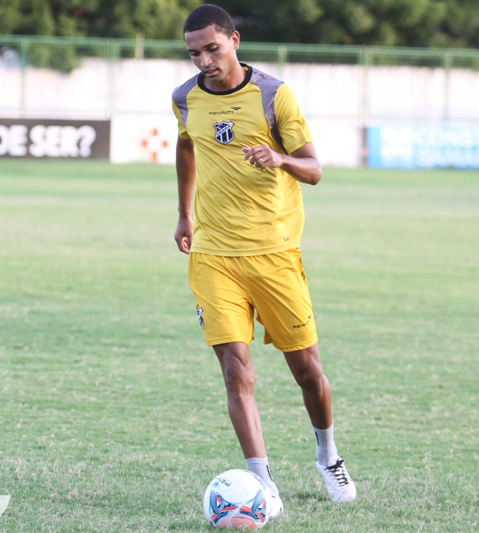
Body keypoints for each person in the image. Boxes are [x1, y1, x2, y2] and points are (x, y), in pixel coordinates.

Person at [171, 4, 356, 516]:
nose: (205, 60)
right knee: (236, 369)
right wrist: (184, 214)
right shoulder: (184, 98)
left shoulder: (275, 95)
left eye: (212, 48)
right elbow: (186, 147)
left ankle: (328, 455)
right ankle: (261, 483)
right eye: (194, 53)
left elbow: (316, 171)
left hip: (274, 254)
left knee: (308, 371)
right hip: (213, 254)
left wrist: (280, 158)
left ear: (234, 39)